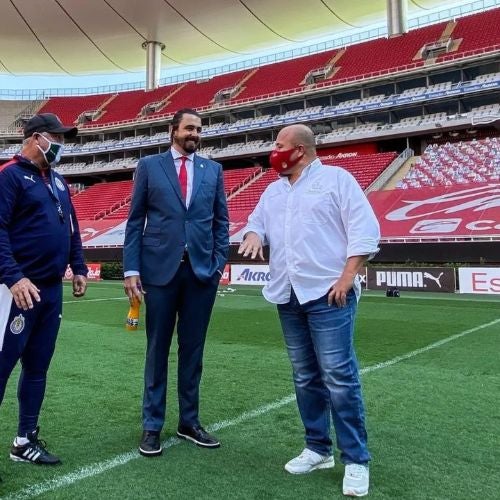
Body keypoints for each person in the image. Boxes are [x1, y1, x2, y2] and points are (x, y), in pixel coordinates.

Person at [238, 124, 380, 497]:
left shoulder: (337, 179)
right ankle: (317, 448)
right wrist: (253, 234)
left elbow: (365, 230)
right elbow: (256, 223)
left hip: (328, 293)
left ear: (299, 150)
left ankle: (355, 459)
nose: (274, 150)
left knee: (339, 376)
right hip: (288, 295)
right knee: (304, 376)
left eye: (278, 145)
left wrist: (348, 278)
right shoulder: (271, 191)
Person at [123, 108, 229, 457]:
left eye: (198, 129)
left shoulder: (213, 170)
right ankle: (152, 425)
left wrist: (216, 265)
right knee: (157, 350)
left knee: (193, 352)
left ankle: (189, 422)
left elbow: (221, 223)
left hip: (201, 273)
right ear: (173, 130)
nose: (194, 134)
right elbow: (135, 220)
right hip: (159, 272)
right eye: (188, 128)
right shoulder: (150, 167)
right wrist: (131, 270)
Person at [0, 113, 88, 473]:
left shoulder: (58, 181)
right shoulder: (9, 176)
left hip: (50, 293)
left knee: (37, 368)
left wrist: (79, 267)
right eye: (58, 137)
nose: (62, 145)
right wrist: (13, 277)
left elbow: (72, 228)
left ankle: (24, 441)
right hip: (16, 291)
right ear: (37, 138)